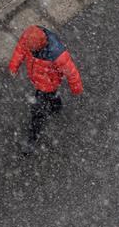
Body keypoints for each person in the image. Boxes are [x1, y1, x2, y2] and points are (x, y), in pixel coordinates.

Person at [8, 25, 83, 155]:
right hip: (40, 82)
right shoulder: (28, 37)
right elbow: (20, 50)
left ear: (41, 46)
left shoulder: (56, 53)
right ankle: (56, 106)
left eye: (32, 49)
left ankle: (31, 140)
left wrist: (76, 88)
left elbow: (71, 72)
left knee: (37, 112)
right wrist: (14, 65)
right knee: (52, 96)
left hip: (48, 84)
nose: (29, 51)